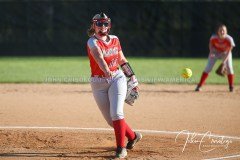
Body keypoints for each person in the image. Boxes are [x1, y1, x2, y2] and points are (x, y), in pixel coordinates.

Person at [86, 12, 142, 158]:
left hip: (117, 78)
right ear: (93, 25)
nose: (102, 26)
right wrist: (105, 70)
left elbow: (122, 59)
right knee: (112, 121)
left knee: (117, 113)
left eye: (105, 23)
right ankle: (133, 136)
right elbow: (99, 58)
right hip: (98, 83)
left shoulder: (115, 39)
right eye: (99, 23)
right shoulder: (92, 42)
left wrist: (132, 76)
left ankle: (121, 148)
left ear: (109, 25)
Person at [195, 24, 235, 92]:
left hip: (225, 53)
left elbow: (229, 51)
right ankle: (199, 86)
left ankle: (231, 87)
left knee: (229, 68)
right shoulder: (213, 37)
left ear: (226, 31)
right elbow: (211, 45)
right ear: (218, 32)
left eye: (224, 30)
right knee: (208, 68)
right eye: (220, 30)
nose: (222, 32)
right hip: (215, 52)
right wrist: (211, 52)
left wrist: (223, 63)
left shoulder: (229, 39)